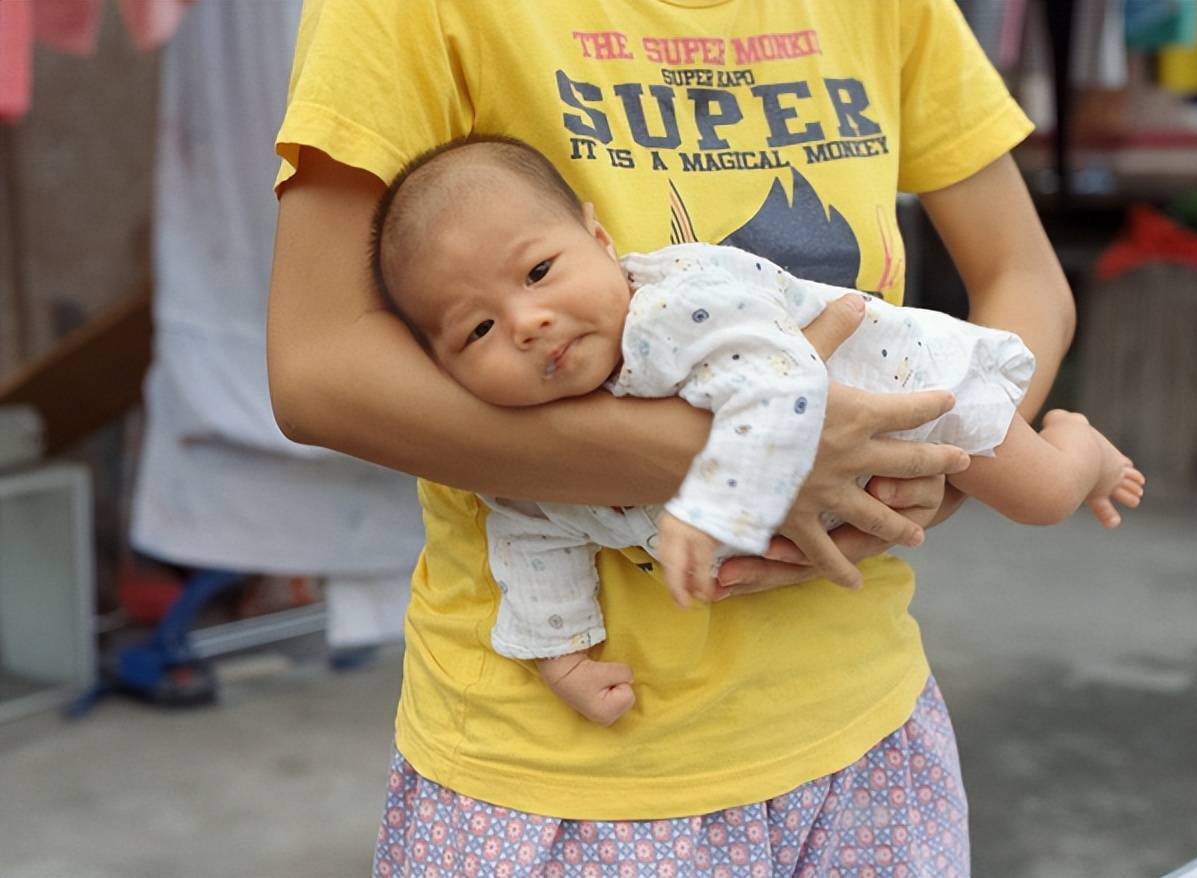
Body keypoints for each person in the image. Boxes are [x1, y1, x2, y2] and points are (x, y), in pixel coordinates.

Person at [268, 1, 1082, 874]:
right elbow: (320, 371)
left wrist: (933, 471)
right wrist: (751, 453)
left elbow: (1022, 276)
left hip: (865, 736)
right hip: (569, 774)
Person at [368, 136, 1145, 726]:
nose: (529, 323)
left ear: (599, 241)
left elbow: (781, 388)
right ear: (439, 367)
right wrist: (562, 656)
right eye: (476, 330)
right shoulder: (521, 452)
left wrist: (711, 509)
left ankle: (1082, 443)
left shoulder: (678, 307)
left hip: (912, 386)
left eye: (538, 272)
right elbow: (529, 539)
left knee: (1042, 496)